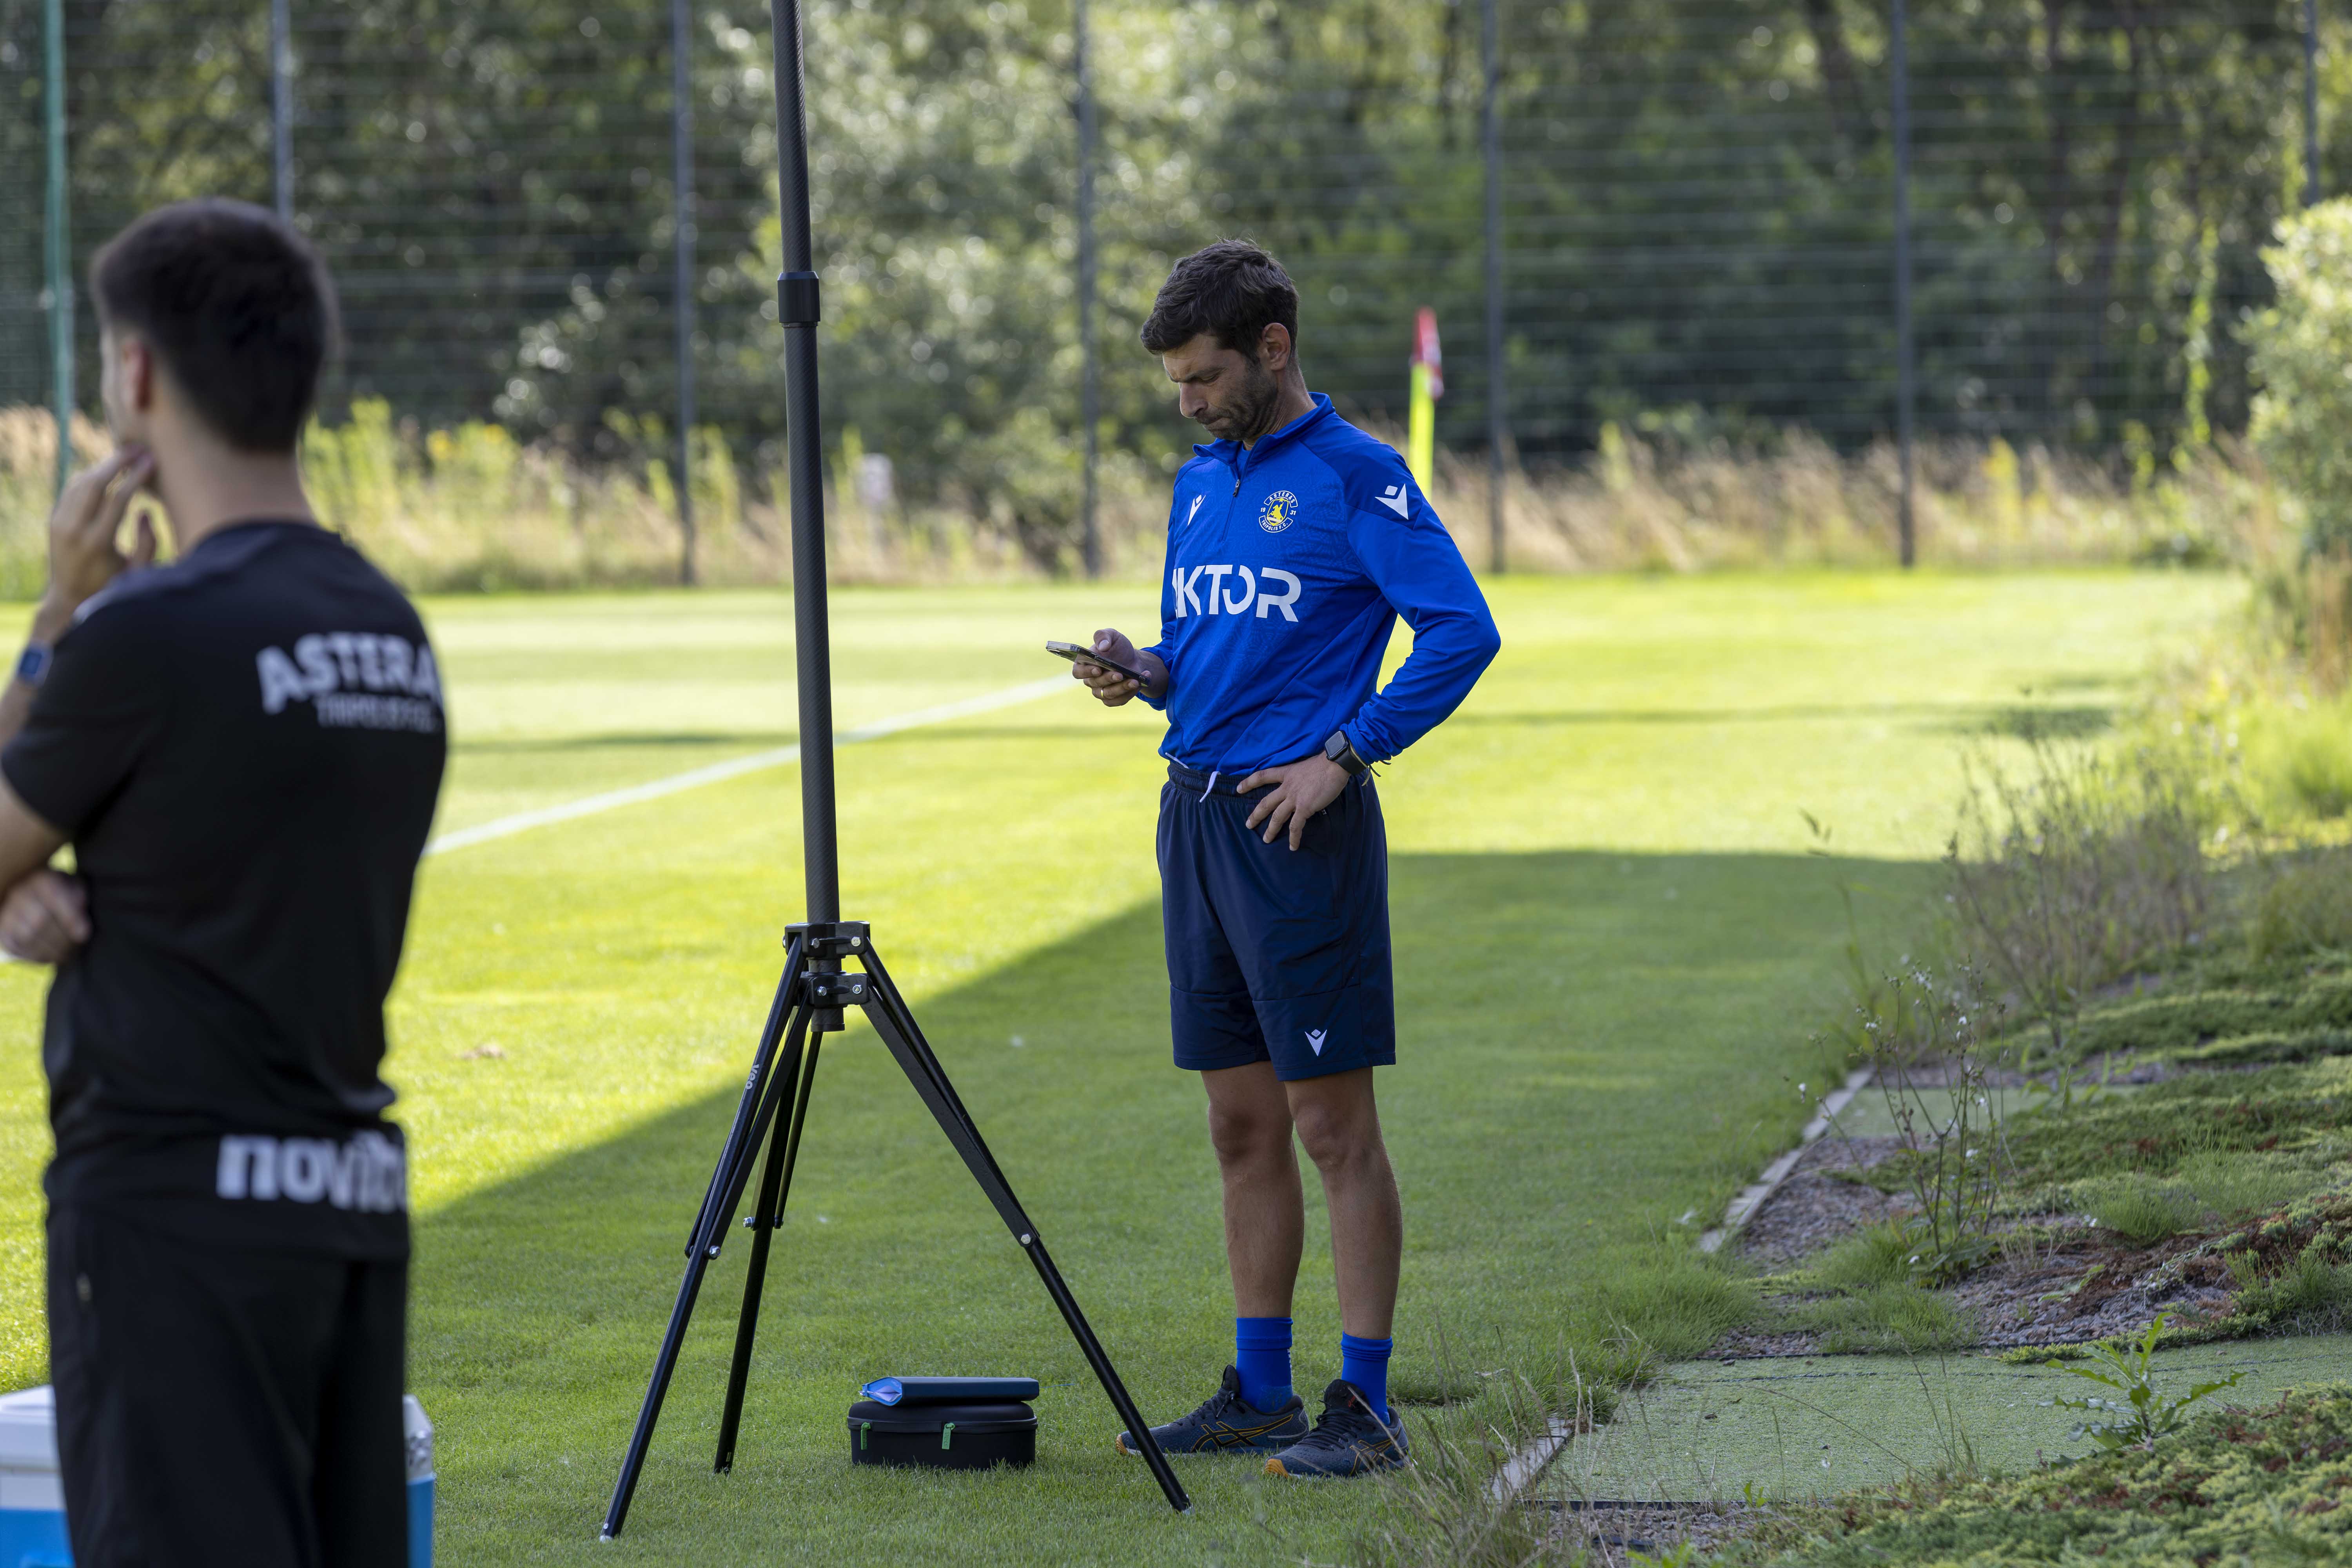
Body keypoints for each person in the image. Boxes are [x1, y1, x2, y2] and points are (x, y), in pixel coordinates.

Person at [0, 200, 446, 1566]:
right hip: (348, 1204)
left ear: (135, 373)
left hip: (174, 1221)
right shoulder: (389, 630)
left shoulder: (147, 632)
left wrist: (56, 618)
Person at [1074, 240, 1499, 1478]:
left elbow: (1461, 631)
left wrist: (1347, 754)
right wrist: (1144, 672)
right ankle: (1259, 1392)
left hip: (1296, 831)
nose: (1189, 403)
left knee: (1332, 1128)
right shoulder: (1200, 482)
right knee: (1238, 1125)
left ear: (1273, 348)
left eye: (1205, 378)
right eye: (1175, 384)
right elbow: (1206, 652)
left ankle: (1365, 1407)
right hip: (1195, 821)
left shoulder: (1360, 477)